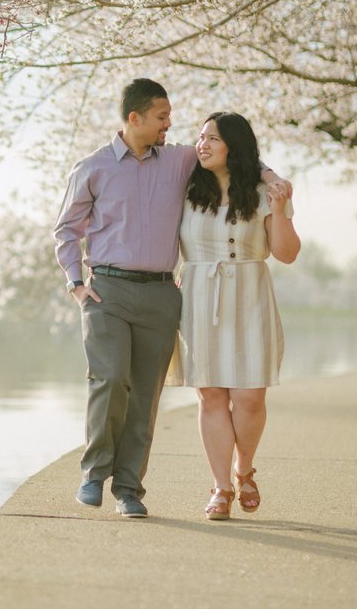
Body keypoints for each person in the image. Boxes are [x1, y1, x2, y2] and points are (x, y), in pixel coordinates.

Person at [53, 78, 289, 518]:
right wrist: (76, 284)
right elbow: (66, 230)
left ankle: (129, 490)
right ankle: (93, 473)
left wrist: (271, 175)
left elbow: (235, 155)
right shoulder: (93, 168)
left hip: (163, 293)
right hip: (106, 289)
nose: (170, 124)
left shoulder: (179, 160)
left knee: (145, 394)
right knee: (108, 380)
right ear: (135, 118)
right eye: (162, 116)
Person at [166, 112, 300, 521]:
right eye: (201, 137)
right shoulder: (186, 186)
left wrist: (278, 208)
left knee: (249, 396)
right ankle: (221, 487)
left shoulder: (266, 191)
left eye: (213, 139)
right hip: (199, 295)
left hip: (250, 293)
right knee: (211, 395)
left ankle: (245, 469)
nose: (202, 144)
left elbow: (287, 253)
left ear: (235, 147)